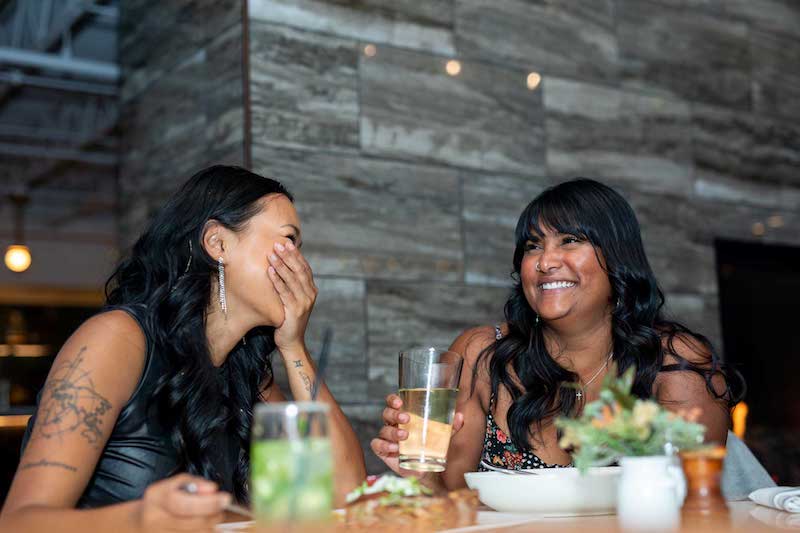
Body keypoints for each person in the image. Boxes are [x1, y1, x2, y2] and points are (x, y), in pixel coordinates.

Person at [0, 166, 366, 531]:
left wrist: (294, 346)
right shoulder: (116, 340)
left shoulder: (249, 377)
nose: (300, 265)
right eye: (288, 240)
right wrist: (141, 521)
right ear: (218, 244)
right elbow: (19, 522)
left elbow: (347, 495)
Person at [371, 178, 743, 491]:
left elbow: (693, 507)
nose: (546, 261)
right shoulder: (483, 354)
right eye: (533, 246)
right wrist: (422, 476)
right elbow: (451, 499)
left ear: (618, 256)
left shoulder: (675, 364)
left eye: (569, 240)